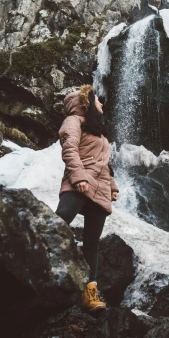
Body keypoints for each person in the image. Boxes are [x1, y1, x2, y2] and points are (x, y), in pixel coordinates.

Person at [55, 84, 119, 311]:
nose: (101, 103)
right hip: (80, 181)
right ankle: (40, 262)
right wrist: (78, 177)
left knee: (92, 243)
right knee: (59, 220)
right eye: (98, 100)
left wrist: (112, 186)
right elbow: (69, 149)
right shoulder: (73, 121)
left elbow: (104, 164)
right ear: (86, 102)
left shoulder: (98, 130)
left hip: (100, 189)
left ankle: (89, 294)